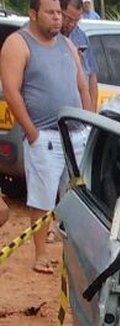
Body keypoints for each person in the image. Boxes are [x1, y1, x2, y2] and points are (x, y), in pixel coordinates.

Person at [0, 0, 91, 275]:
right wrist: (32, 132)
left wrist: (89, 122)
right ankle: (41, 255)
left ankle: (72, 257)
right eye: (50, 13)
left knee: (75, 198)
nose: (56, 18)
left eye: (58, 13)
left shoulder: (68, 45)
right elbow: (12, 91)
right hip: (45, 135)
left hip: (76, 134)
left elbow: (82, 86)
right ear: (33, 13)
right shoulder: (18, 44)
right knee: (42, 197)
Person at [62, 0, 97, 111]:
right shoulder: (48, 35)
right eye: (68, 19)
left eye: (76, 21)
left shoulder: (81, 37)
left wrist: (91, 114)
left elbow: (91, 75)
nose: (71, 25)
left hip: (78, 113)